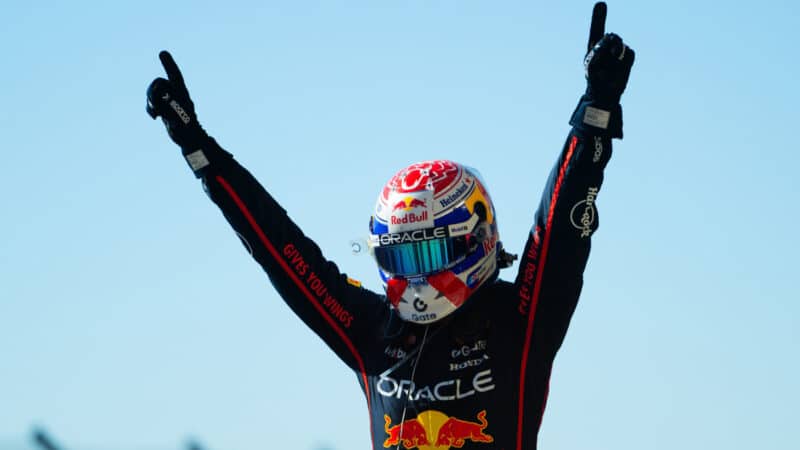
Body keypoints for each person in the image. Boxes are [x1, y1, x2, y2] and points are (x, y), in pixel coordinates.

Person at [146, 2, 633, 449]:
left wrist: (594, 114)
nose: (416, 276)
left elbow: (560, 233)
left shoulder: (522, 321)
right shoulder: (372, 331)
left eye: (426, 254)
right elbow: (281, 250)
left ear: (475, 240)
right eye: (400, 257)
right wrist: (200, 152)